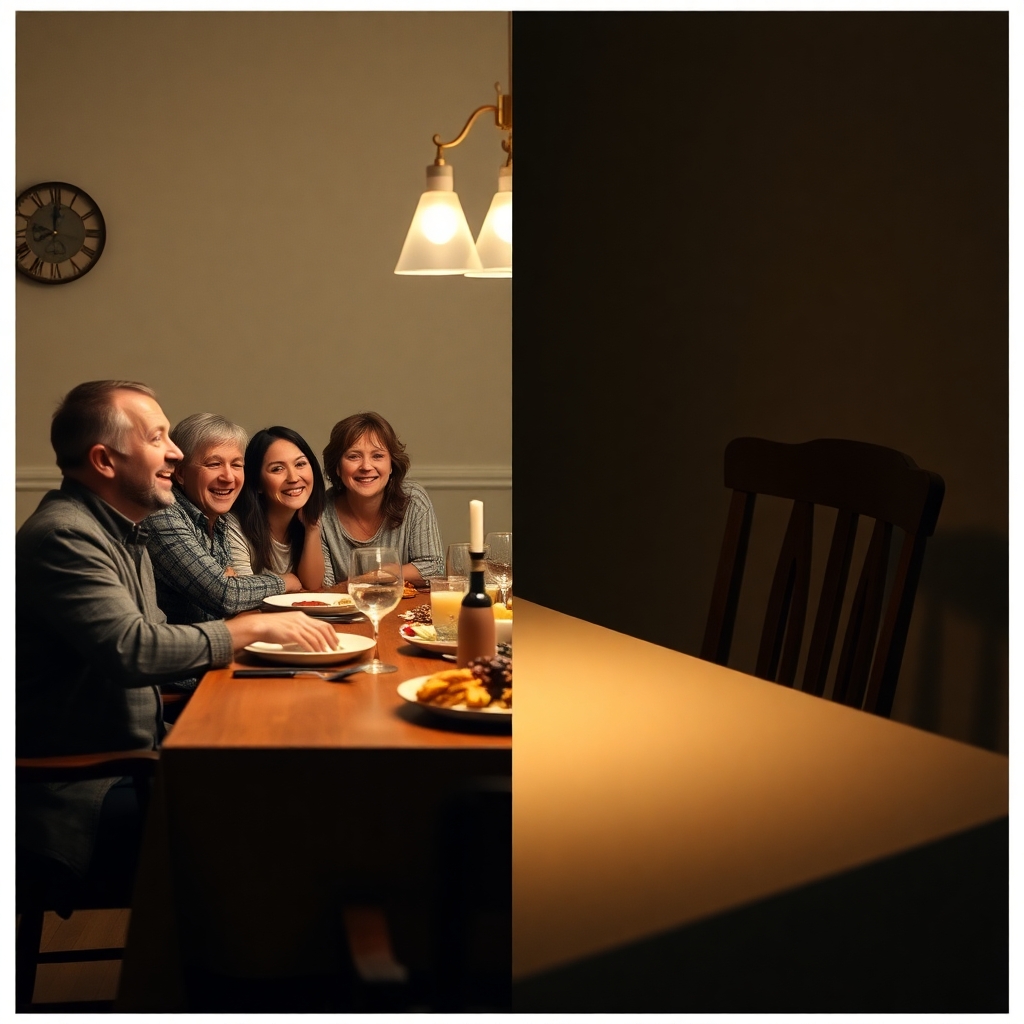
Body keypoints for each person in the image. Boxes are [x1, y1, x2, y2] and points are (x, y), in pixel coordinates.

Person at [16, 381, 338, 900]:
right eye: (158, 438)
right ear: (104, 460)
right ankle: (216, 973)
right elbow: (136, 650)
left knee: (297, 770)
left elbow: (155, 639)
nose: (174, 453)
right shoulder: (65, 535)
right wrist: (250, 628)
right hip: (80, 793)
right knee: (290, 815)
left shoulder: (124, 531)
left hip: (138, 756)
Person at [147, 412, 305, 627]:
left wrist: (234, 588)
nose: (228, 477)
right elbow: (226, 595)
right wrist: (286, 581)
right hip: (180, 654)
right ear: (181, 474)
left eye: (237, 465)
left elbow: (234, 592)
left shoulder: (217, 520)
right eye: (214, 464)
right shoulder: (163, 513)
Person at [320, 411, 444, 582]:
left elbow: (434, 568)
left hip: (404, 607)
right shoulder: (321, 510)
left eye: (377, 456)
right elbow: (324, 586)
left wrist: (375, 575)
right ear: (337, 467)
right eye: (353, 456)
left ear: (391, 464)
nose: (366, 466)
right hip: (345, 608)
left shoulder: (413, 499)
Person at [226, 426, 334, 589]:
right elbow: (243, 593)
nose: (293, 477)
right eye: (277, 468)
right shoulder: (234, 525)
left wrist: (312, 529)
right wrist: (289, 580)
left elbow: (314, 587)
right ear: (258, 483)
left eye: (300, 464)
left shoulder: (312, 519)